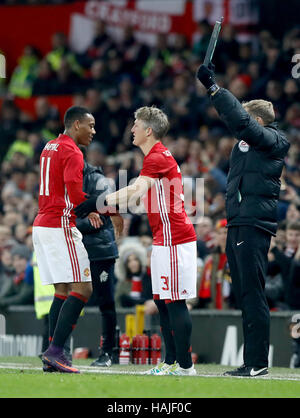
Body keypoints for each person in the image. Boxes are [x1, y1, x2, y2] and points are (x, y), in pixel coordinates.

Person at [75, 106, 198, 376]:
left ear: (148, 130)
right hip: (164, 238)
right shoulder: (154, 158)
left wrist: (99, 202)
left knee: (175, 301)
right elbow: (138, 197)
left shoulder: (157, 157)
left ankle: (186, 367)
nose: (132, 129)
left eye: (136, 125)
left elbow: (137, 189)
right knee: (164, 302)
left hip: (175, 238)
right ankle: (170, 363)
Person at [197, 63, 290, 377]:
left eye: (247, 119)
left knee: (252, 291)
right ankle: (252, 361)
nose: (240, 125)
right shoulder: (247, 144)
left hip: (253, 223)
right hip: (238, 222)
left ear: (259, 121)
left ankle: (258, 363)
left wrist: (215, 89)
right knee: (244, 292)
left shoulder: (274, 141)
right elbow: (234, 120)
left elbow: (239, 121)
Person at [32, 106, 101, 374]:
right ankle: (56, 351)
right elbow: (75, 193)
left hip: (42, 224)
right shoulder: (73, 151)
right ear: (75, 126)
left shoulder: (49, 146)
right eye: (90, 125)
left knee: (62, 291)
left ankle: (53, 355)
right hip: (59, 224)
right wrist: (99, 207)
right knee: (83, 288)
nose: (93, 132)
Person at [76, 155, 123, 367]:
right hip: (79, 250)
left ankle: (108, 352)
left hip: (100, 251)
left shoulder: (99, 180)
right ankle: (60, 348)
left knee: (106, 302)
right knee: (73, 299)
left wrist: (72, 223)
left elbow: (102, 217)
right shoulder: (69, 180)